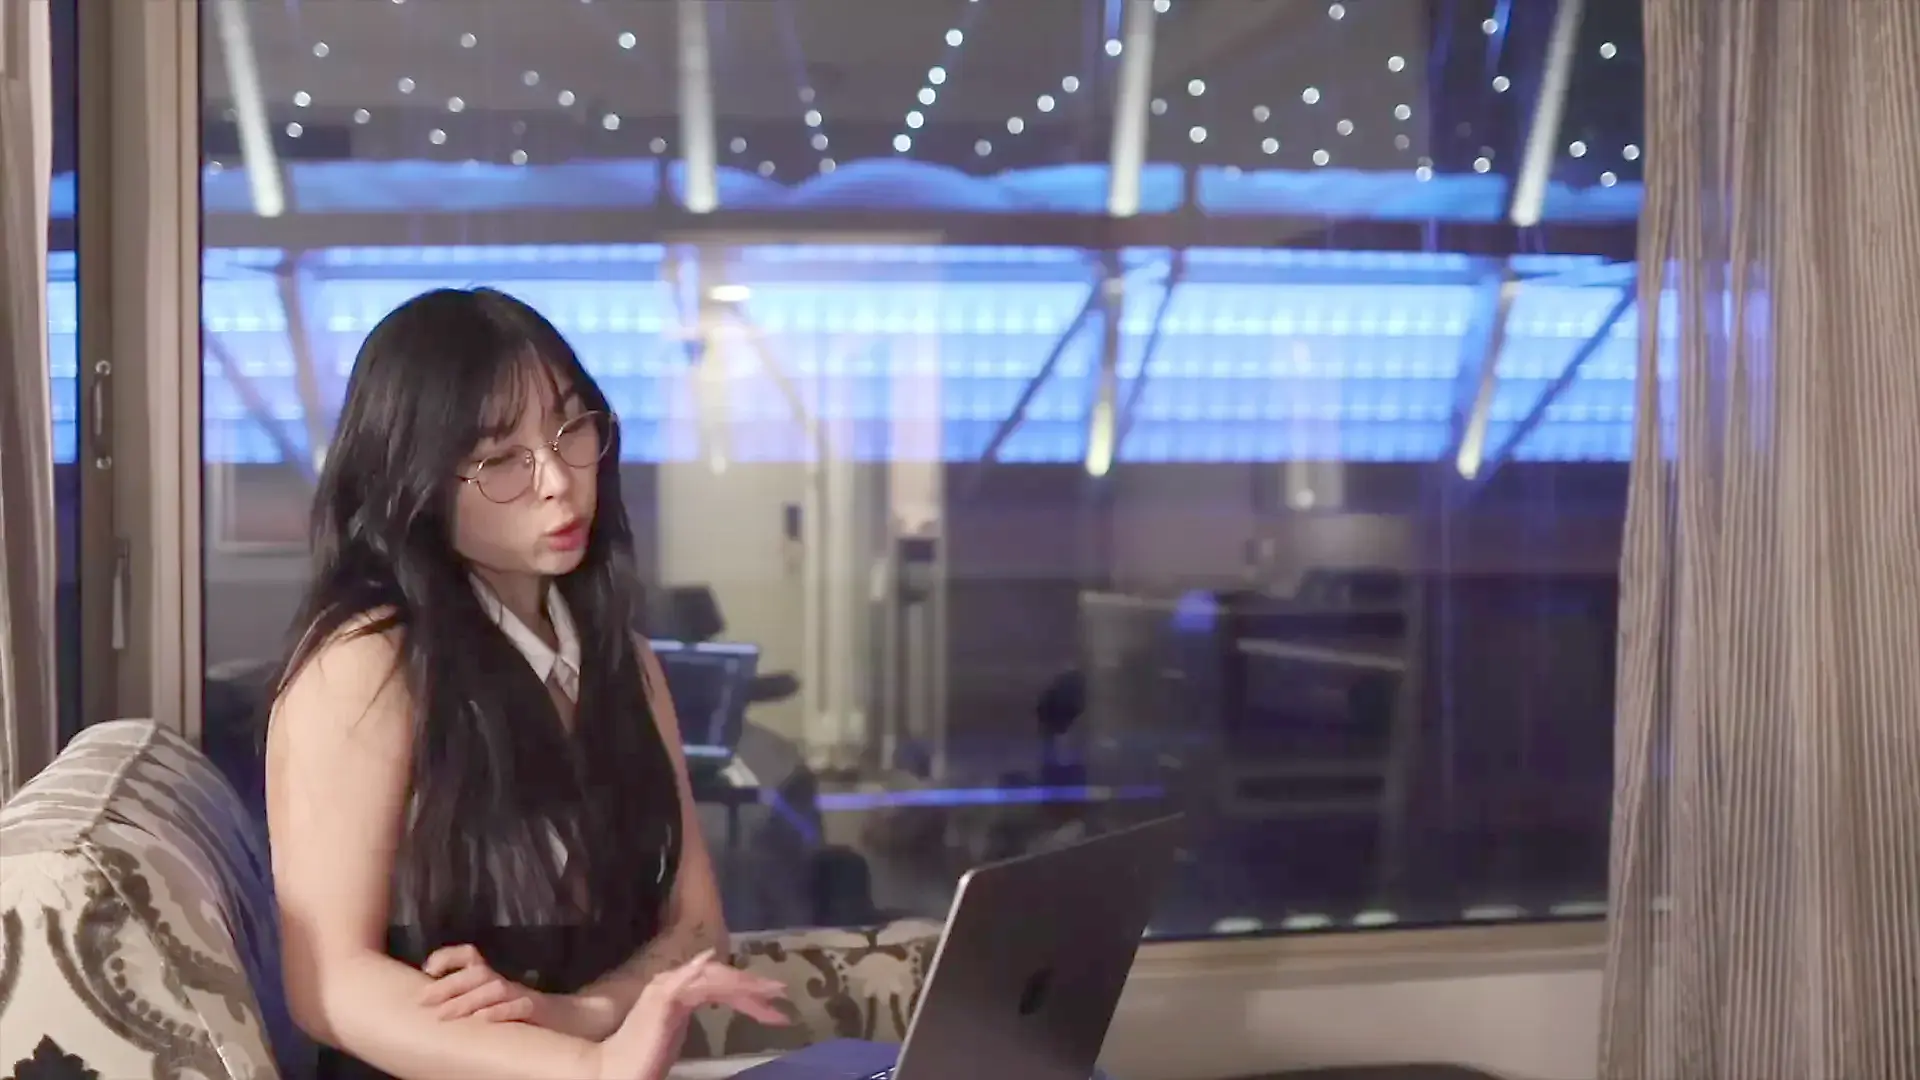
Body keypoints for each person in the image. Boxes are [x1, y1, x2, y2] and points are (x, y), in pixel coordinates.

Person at [263, 287, 788, 1080]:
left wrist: (576, 1020)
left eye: (572, 429)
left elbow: (696, 929)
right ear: (414, 479)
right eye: (501, 458)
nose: (559, 481)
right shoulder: (365, 661)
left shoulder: (626, 659)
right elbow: (328, 983)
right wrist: (589, 1068)